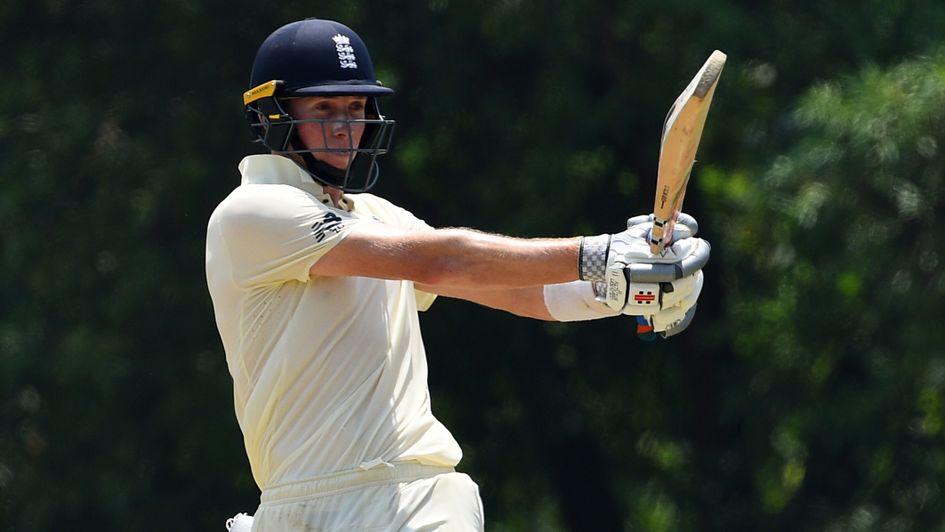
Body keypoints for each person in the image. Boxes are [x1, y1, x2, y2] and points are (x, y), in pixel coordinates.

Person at [207, 18, 710, 532]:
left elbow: (514, 290)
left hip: (415, 499)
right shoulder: (251, 213)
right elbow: (441, 260)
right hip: (302, 507)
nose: (345, 126)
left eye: (356, 108)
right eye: (324, 108)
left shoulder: (375, 216)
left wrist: (621, 288)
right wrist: (598, 254)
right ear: (272, 113)